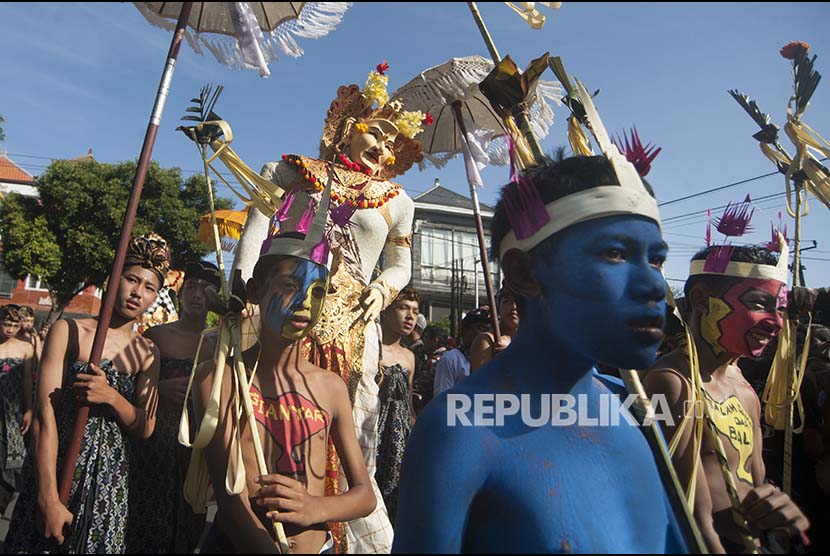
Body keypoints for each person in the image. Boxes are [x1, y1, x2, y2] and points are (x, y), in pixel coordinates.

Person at [393, 85, 689, 552]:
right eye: (614, 253)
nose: (654, 285)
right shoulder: (459, 430)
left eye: (656, 260)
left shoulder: (631, 412)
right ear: (526, 274)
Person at [194, 61, 428, 552]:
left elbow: (402, 265)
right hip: (278, 312)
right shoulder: (294, 172)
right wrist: (243, 292)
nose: (383, 149)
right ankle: (255, 526)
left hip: (353, 326)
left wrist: (383, 290)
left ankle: (330, 532)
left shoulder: (397, 201)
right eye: (376, 134)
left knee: (346, 444)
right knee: (260, 430)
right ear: (347, 127)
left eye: (392, 144)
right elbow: (256, 235)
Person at [191, 172, 375, 554]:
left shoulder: (330, 387)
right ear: (257, 290)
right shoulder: (221, 380)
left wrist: (316, 508)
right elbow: (230, 499)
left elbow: (364, 496)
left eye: (317, 292)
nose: (305, 303)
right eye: (290, 286)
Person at [642, 236, 811, 553]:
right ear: (702, 300)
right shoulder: (672, 383)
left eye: (780, 308)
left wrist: (777, 511)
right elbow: (690, 511)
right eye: (759, 304)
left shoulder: (741, 384)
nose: (775, 322)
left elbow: (756, 478)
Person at [4, 234, 164, 553]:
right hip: (57, 466)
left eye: (150, 288)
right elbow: (44, 416)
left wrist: (111, 396)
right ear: (111, 280)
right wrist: (48, 496)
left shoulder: (147, 353)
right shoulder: (70, 331)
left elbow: (145, 426)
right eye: (131, 279)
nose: (138, 292)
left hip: (109, 482)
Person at [126, 261, 221, 553]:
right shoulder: (156, 336)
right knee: (148, 512)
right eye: (191, 287)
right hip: (156, 440)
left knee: (191, 517)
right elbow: (127, 383)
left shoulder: (221, 343)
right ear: (179, 293)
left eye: (206, 290)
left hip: (197, 445)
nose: (197, 295)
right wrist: (157, 388)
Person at [376, 287, 418, 525]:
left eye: (415, 311)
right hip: (372, 437)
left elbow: (409, 405)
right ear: (385, 310)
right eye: (403, 308)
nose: (410, 316)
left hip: (399, 443)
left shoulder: (409, 356)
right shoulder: (370, 348)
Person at [0, 305, 35, 515]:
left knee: (11, 463)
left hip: (13, 412)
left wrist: (29, 409)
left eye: (14, 324)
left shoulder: (26, 348)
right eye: (6, 324)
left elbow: (27, 382)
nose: (10, 329)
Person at [432, 307, 490, 397]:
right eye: (481, 328)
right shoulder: (451, 359)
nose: (485, 334)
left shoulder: (497, 358)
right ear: (464, 330)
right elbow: (442, 399)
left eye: (489, 329)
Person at [469, 283, 520, 372]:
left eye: (519, 302)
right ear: (498, 307)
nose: (514, 307)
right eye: (507, 301)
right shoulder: (488, 341)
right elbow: (481, 383)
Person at [411, 324, 448, 416]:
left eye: (426, 337)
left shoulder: (433, 361)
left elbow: (421, 385)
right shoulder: (450, 356)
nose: (424, 341)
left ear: (435, 341)